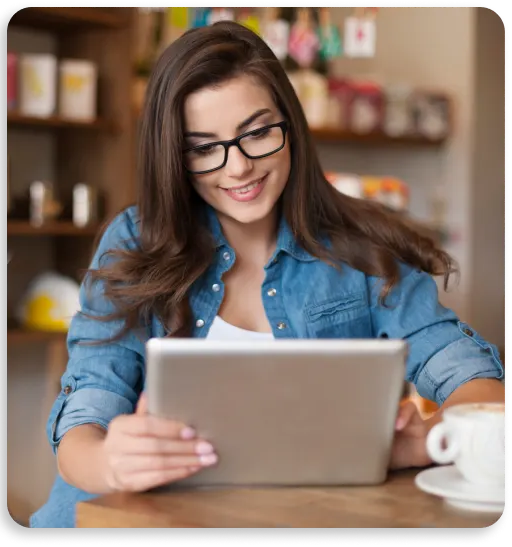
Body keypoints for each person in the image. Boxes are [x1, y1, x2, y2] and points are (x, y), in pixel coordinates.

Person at [30, 21, 504, 528]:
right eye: (203, 147)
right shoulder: (135, 240)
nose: (237, 168)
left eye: (256, 132)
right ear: (174, 155)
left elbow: (478, 384)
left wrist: (432, 437)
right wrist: (109, 460)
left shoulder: (362, 245)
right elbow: (83, 421)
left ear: (290, 127)